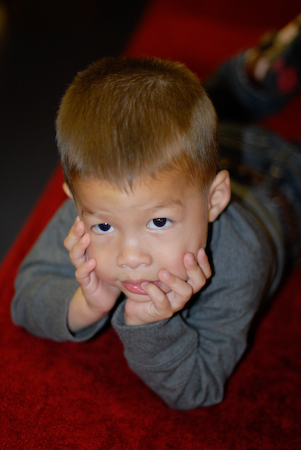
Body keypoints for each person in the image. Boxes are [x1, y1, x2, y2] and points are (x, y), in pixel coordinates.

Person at [11, 16, 301, 410]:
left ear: (216, 200)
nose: (131, 258)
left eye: (159, 222)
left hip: (284, 192)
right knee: (210, 114)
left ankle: (255, 74)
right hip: (199, 164)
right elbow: (24, 299)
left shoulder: (239, 262)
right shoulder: (94, 210)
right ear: (73, 202)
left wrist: (152, 326)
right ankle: (253, 75)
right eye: (105, 226)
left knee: (214, 116)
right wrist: (86, 303)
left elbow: (198, 388)